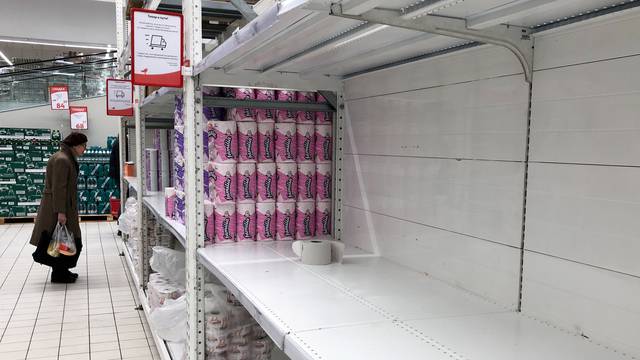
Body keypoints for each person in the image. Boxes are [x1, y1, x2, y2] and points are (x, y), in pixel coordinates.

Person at [30, 132, 87, 283]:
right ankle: (59, 273)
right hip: (59, 207)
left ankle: (62, 270)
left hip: (63, 205)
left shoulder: (65, 157)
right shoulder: (62, 160)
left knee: (63, 239)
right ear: (75, 146)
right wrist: (61, 212)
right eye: (83, 146)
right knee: (62, 239)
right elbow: (59, 188)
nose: (85, 149)